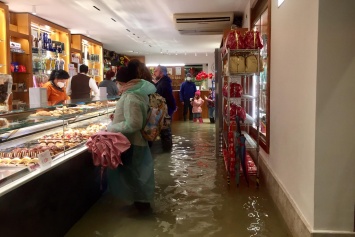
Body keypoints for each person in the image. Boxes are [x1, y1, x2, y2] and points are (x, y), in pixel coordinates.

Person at [107, 66, 156, 212]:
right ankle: (141, 204)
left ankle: (141, 208)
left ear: (123, 82)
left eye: (118, 82)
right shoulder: (138, 93)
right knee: (140, 175)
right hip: (137, 141)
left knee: (136, 176)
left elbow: (134, 123)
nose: (117, 85)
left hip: (132, 142)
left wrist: (112, 127)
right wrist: (117, 117)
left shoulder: (130, 96)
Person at [153, 65, 176, 151]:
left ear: (161, 73)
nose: (154, 72)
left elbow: (169, 97)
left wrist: (172, 107)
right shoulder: (162, 82)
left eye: (156, 71)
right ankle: (167, 151)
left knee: (166, 132)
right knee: (165, 132)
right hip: (164, 110)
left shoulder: (164, 83)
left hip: (165, 111)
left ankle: (167, 152)